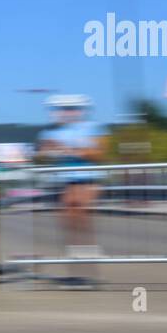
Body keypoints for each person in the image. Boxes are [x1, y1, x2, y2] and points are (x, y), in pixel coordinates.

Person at [37, 94, 107, 259]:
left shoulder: (93, 127)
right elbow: (41, 154)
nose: (66, 113)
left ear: (81, 111)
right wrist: (46, 151)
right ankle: (76, 249)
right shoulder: (50, 131)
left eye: (72, 109)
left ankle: (87, 248)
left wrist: (69, 149)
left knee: (80, 209)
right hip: (64, 179)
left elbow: (99, 154)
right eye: (62, 109)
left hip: (88, 177)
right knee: (67, 214)